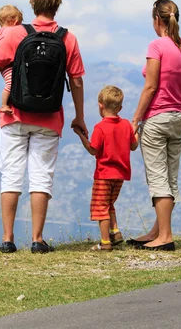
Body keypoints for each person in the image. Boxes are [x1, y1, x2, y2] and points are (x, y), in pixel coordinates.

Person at [0, 0, 87, 254]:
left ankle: (8, 239)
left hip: (15, 115)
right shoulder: (68, 38)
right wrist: (79, 116)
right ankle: (38, 240)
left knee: (11, 176)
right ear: (57, 5)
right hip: (50, 118)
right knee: (42, 177)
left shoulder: (15, 33)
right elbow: (76, 81)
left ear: (32, 4)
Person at [128, 0, 181, 251]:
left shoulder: (157, 46)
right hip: (178, 117)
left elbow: (151, 86)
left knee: (158, 178)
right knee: (171, 177)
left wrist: (135, 120)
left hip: (156, 118)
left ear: (157, 20)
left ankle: (165, 236)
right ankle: (157, 231)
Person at [73, 86, 138, 251]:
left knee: (101, 207)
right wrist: (137, 131)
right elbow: (133, 146)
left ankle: (105, 242)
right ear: (120, 108)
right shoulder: (125, 125)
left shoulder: (100, 127)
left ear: (100, 105)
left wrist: (81, 135)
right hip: (121, 175)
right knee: (110, 204)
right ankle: (115, 233)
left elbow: (93, 149)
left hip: (104, 174)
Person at [0, 5, 23, 114]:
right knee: (10, 82)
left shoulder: (2, 32)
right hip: (7, 65)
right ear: (15, 21)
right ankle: (4, 105)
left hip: (8, 64)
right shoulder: (8, 33)